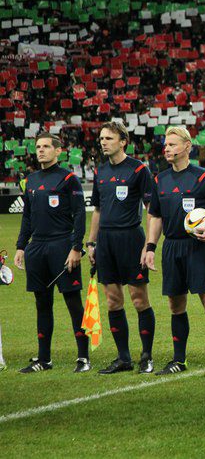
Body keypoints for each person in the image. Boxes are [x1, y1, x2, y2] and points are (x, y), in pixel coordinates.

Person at [143, 127, 205, 376]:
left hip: (197, 247)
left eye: (172, 144)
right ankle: (179, 360)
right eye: (166, 145)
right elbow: (155, 216)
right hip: (171, 247)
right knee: (175, 305)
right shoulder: (160, 179)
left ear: (187, 146)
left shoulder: (202, 177)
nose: (167, 149)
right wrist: (150, 247)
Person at [14, 132, 90, 373]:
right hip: (37, 248)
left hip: (62, 246)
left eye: (46, 146)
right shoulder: (30, 180)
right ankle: (44, 359)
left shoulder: (68, 179)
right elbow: (27, 216)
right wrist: (21, 246)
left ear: (58, 151)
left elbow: (79, 215)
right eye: (38, 146)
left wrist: (76, 247)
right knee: (42, 303)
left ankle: (83, 357)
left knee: (73, 302)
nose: (40, 150)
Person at [88, 121, 156, 374]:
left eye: (109, 138)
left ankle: (146, 356)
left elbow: (151, 211)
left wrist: (148, 245)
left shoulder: (138, 169)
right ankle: (123, 358)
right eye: (101, 139)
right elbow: (97, 210)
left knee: (139, 299)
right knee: (113, 300)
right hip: (106, 241)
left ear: (123, 141)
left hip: (131, 239)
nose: (103, 142)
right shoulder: (101, 171)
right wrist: (91, 242)